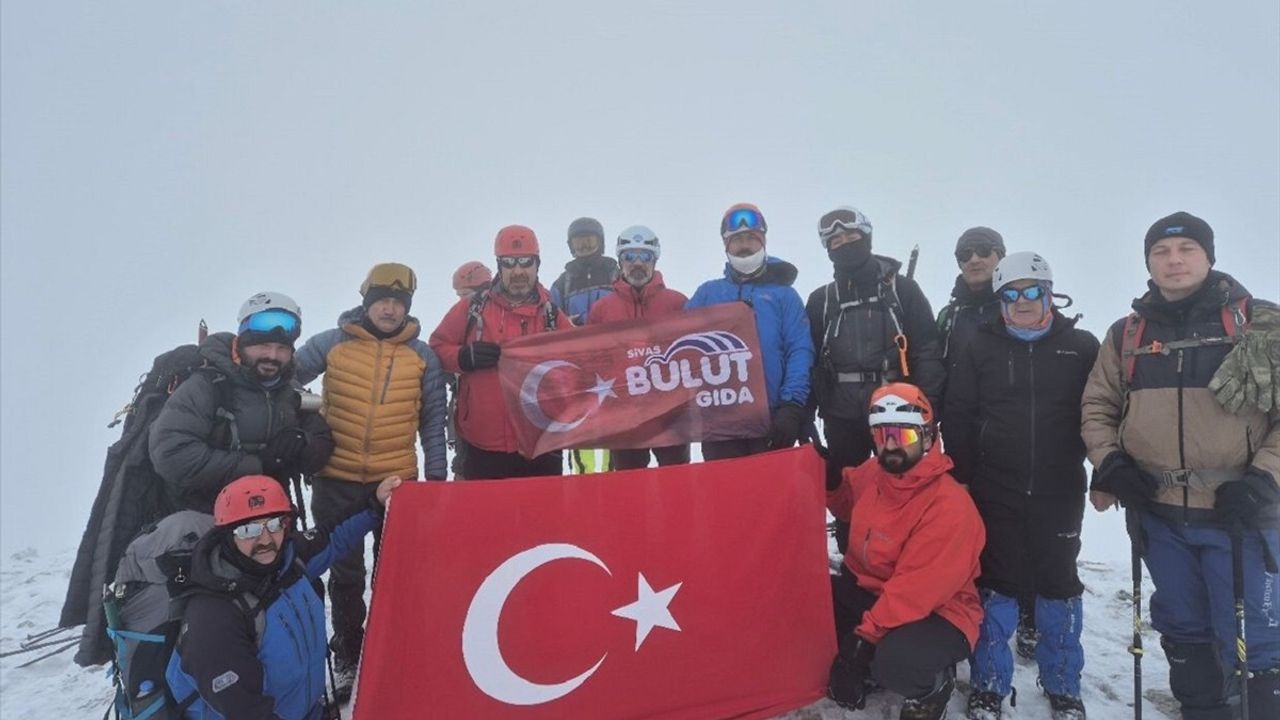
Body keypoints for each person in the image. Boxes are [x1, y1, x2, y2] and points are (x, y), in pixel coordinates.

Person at [1082, 211, 1280, 719]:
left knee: (1256, 643)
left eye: (1187, 249)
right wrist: (1111, 463)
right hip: (1160, 515)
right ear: (1148, 261)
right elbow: (1098, 406)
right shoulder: (1126, 334)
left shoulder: (1258, 323)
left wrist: (1264, 478)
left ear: (1209, 256)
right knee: (1185, 634)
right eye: (1161, 252)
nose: (1174, 261)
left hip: (1242, 516)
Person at [942, 252, 1099, 720]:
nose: (1023, 301)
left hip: (1061, 485)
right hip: (996, 486)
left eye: (1033, 291)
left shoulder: (1082, 346)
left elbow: (1102, 410)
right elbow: (959, 412)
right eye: (1012, 293)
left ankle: (1063, 685)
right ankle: (989, 685)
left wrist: (1109, 467)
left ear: (1050, 293)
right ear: (1000, 299)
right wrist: (964, 477)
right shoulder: (980, 345)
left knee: (1058, 584)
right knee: (997, 584)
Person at [292, 262, 447, 699]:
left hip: (397, 482)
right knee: (344, 577)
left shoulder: (422, 355)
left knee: (395, 573)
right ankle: (349, 656)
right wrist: (304, 424)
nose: (390, 309)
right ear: (367, 302)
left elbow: (433, 421)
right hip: (334, 480)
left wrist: (435, 481)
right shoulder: (331, 343)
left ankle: (394, 649)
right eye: (382, 300)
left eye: (399, 302)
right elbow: (280, 382)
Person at [165, 473, 401, 720]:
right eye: (249, 529)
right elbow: (246, 712)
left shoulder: (288, 559)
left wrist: (374, 502)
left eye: (275, 524)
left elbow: (333, 536)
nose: (265, 539)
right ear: (227, 535)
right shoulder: (215, 617)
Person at [825, 383, 984, 720]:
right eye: (883, 436)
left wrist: (862, 642)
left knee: (895, 663)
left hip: (939, 613)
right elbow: (845, 503)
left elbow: (914, 592)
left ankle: (932, 686)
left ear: (927, 438)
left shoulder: (949, 506)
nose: (892, 445)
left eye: (903, 435)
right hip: (875, 593)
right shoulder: (875, 474)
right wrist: (828, 481)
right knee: (812, 606)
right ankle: (870, 657)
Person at [805, 206, 944, 552]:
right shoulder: (822, 300)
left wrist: (928, 406)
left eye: (851, 237)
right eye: (835, 240)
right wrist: (804, 415)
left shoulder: (903, 291)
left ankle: (904, 557)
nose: (844, 244)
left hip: (897, 410)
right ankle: (855, 562)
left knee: (902, 487)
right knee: (849, 491)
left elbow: (926, 348)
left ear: (866, 239)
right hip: (841, 413)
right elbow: (808, 358)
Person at [149, 291, 334, 513]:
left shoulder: (289, 391)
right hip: (203, 520)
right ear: (241, 344)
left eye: (283, 349)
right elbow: (171, 454)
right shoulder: (206, 386)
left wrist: (302, 443)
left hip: (270, 520)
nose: (273, 356)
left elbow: (322, 441)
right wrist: (257, 465)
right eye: (263, 346)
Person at [430, 225, 572, 479]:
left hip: (542, 443)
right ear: (499, 266)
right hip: (483, 445)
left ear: (537, 265)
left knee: (542, 518)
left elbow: (582, 360)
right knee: (487, 518)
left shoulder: (552, 314)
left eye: (526, 262)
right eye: (509, 263)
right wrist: (464, 358)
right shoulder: (472, 308)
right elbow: (437, 349)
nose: (518, 271)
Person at [686, 203, 814, 460]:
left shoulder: (784, 296)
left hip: (771, 418)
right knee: (724, 496)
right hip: (720, 421)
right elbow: (677, 343)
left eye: (751, 239)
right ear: (726, 245)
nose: (744, 245)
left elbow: (799, 350)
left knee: (770, 497)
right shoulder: (708, 293)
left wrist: (791, 406)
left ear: (763, 242)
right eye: (737, 240)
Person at [586, 225, 690, 469]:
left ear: (655, 260)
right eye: (629, 257)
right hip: (623, 417)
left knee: (677, 485)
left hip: (671, 414)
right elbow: (589, 359)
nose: (637, 263)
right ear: (620, 261)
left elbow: (695, 356)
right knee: (629, 489)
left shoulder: (678, 303)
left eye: (645, 256)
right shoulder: (603, 309)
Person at [550, 216, 619, 474]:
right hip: (578, 364)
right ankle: (584, 476)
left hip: (612, 361)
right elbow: (551, 314)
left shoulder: (615, 273)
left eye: (590, 241)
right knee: (581, 423)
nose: (585, 246)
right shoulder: (564, 281)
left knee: (615, 421)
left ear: (600, 243)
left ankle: (614, 475)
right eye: (579, 242)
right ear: (571, 246)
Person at [447, 260, 494, 479]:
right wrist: (461, 358)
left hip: (483, 419)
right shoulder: (462, 317)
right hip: (467, 418)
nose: (461, 300)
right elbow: (438, 349)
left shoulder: (485, 314)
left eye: (463, 294)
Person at [937, 226, 1006, 370]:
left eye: (983, 250)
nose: (974, 259)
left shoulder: (1022, 306)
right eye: (965, 254)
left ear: (1000, 256)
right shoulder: (948, 317)